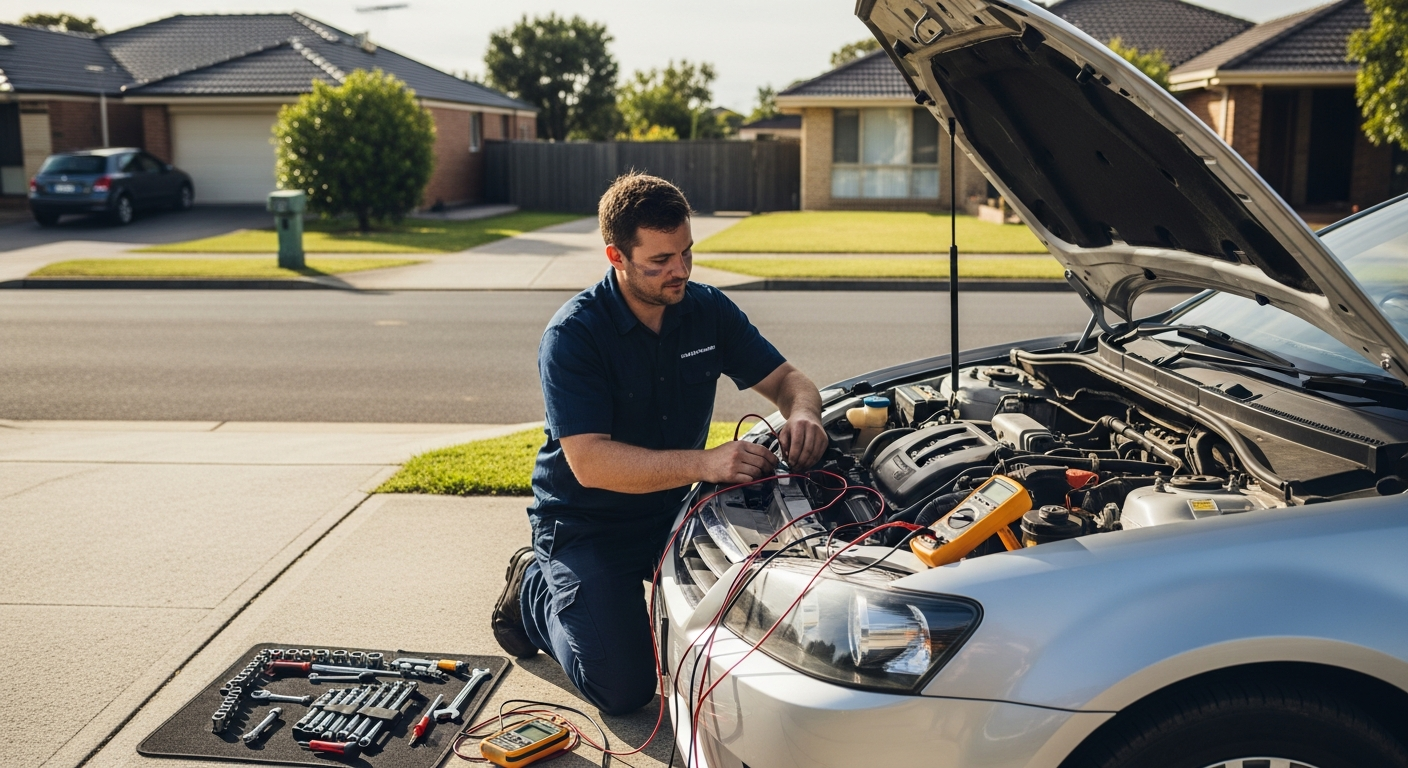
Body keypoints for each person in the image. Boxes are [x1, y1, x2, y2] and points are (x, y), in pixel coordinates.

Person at [491, 173, 828, 715]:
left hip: (672, 514)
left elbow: (789, 380)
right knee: (624, 691)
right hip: (586, 526)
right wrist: (708, 462)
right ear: (616, 256)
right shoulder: (573, 335)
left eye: (687, 252)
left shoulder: (708, 311)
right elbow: (591, 463)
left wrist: (805, 414)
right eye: (661, 261)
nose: (681, 271)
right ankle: (531, 585)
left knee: (763, 620)